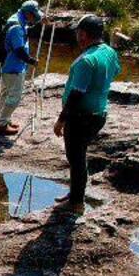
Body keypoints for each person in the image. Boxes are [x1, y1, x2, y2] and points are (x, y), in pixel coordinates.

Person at [53, 15, 121, 214]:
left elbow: (76, 94)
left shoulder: (86, 61)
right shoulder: (109, 52)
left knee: (76, 157)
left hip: (81, 116)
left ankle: (76, 202)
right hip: (99, 113)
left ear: (83, 34)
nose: (76, 35)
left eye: (77, 32)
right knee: (78, 156)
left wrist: (61, 120)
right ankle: (76, 192)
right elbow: (115, 72)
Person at [0, 0, 44, 135]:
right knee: (14, 97)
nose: (35, 19)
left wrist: (42, 21)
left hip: (6, 65)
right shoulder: (17, 27)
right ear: (28, 14)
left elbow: (27, 28)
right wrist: (31, 61)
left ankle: (5, 119)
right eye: (34, 16)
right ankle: (1, 124)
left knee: (5, 94)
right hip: (13, 68)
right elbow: (19, 50)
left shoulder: (15, 18)